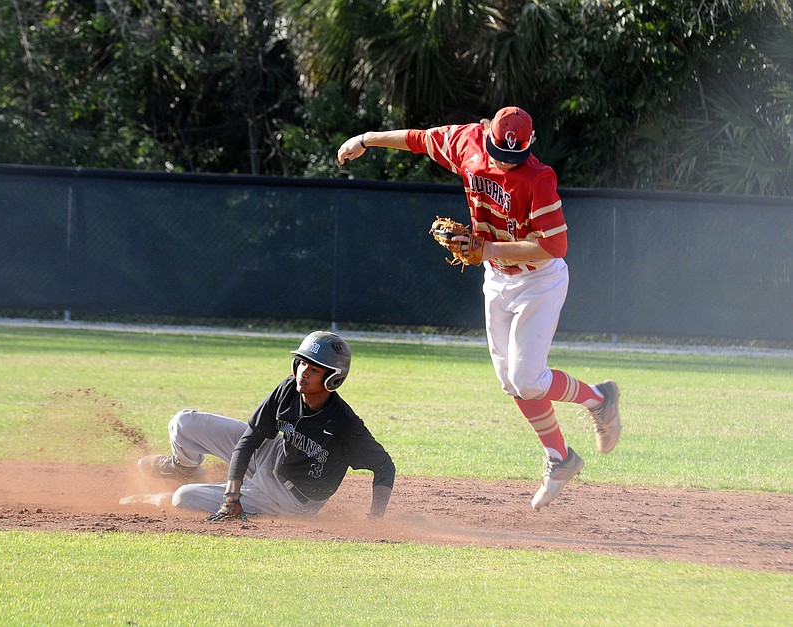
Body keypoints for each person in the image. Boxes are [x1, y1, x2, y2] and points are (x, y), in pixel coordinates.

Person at [337, 106, 621, 510]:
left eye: (514, 156)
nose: (505, 161)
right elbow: (417, 138)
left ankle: (599, 399)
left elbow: (553, 248)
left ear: (529, 146)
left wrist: (485, 248)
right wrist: (365, 139)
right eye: (498, 153)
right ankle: (561, 458)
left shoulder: (539, 178)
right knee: (512, 382)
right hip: (497, 277)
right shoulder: (465, 141)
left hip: (538, 281)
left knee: (528, 377)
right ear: (485, 130)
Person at [138, 331, 395, 520]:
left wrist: (376, 519)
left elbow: (385, 466)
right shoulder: (288, 390)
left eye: (315, 370)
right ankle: (186, 468)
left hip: (289, 500)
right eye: (302, 362)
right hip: (273, 455)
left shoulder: (344, 424)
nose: (303, 372)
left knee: (182, 497)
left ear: (333, 380)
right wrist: (231, 497)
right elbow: (249, 440)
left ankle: (167, 498)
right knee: (184, 423)